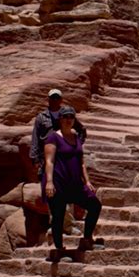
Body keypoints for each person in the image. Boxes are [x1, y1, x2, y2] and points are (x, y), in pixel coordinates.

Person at [43, 105, 102, 263]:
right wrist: (49, 182)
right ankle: (59, 249)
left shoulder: (76, 136)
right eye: (65, 117)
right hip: (58, 182)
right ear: (60, 119)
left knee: (95, 205)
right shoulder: (53, 137)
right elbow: (49, 161)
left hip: (75, 183)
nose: (68, 120)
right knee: (58, 216)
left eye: (71, 117)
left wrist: (87, 181)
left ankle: (87, 239)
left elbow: (81, 162)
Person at [30, 88, 87, 179]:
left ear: (61, 100)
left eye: (57, 98)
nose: (55, 100)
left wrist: (77, 144)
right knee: (47, 176)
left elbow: (81, 130)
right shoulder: (41, 117)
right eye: (53, 98)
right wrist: (34, 156)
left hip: (63, 151)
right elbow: (35, 136)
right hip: (46, 152)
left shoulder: (67, 114)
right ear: (48, 99)